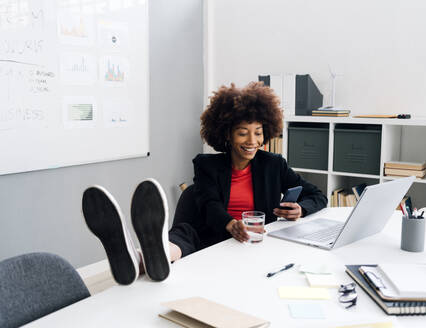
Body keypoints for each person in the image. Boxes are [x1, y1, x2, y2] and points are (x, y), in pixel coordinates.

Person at [81, 81, 327, 285]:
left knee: (181, 240)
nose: (253, 140)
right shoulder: (206, 164)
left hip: (254, 245)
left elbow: (317, 194)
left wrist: (301, 208)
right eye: (243, 132)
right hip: (213, 234)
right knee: (185, 236)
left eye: (259, 132)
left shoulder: (274, 164)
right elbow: (210, 205)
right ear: (227, 134)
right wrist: (231, 224)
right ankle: (134, 256)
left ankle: (137, 259)